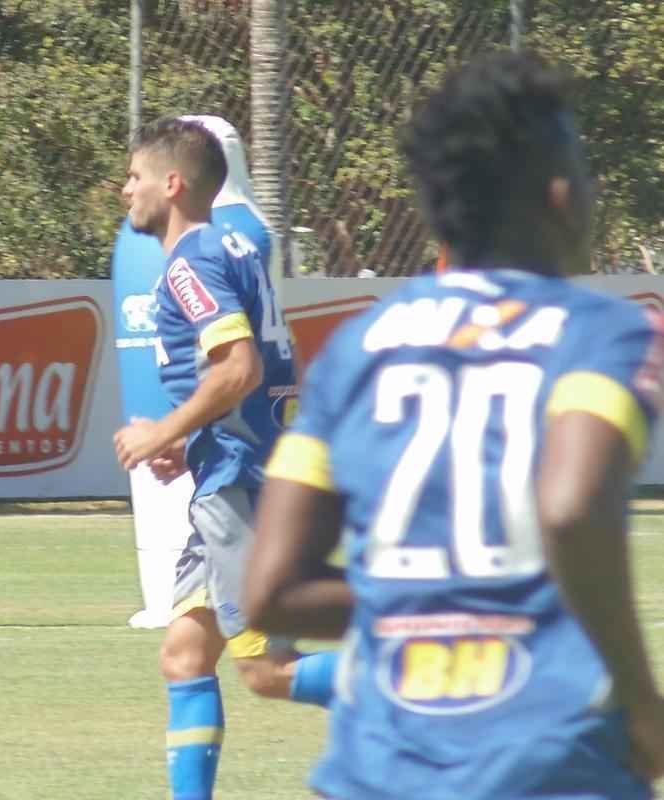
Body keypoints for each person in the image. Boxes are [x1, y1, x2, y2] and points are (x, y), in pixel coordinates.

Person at [243, 51, 664, 799]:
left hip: (375, 772)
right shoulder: (603, 333)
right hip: (550, 765)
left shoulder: (357, 348)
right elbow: (570, 508)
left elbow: (271, 591)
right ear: (561, 195)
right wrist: (639, 698)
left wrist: (429, 603)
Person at [112, 117, 337, 800]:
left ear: (172, 184)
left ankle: (435, 679)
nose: (125, 190)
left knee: (266, 670)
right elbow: (265, 373)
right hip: (238, 466)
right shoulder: (235, 247)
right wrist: (191, 440)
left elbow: (238, 368)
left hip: (240, 483)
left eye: (135, 176)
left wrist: (161, 432)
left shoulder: (190, 263)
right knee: (184, 655)